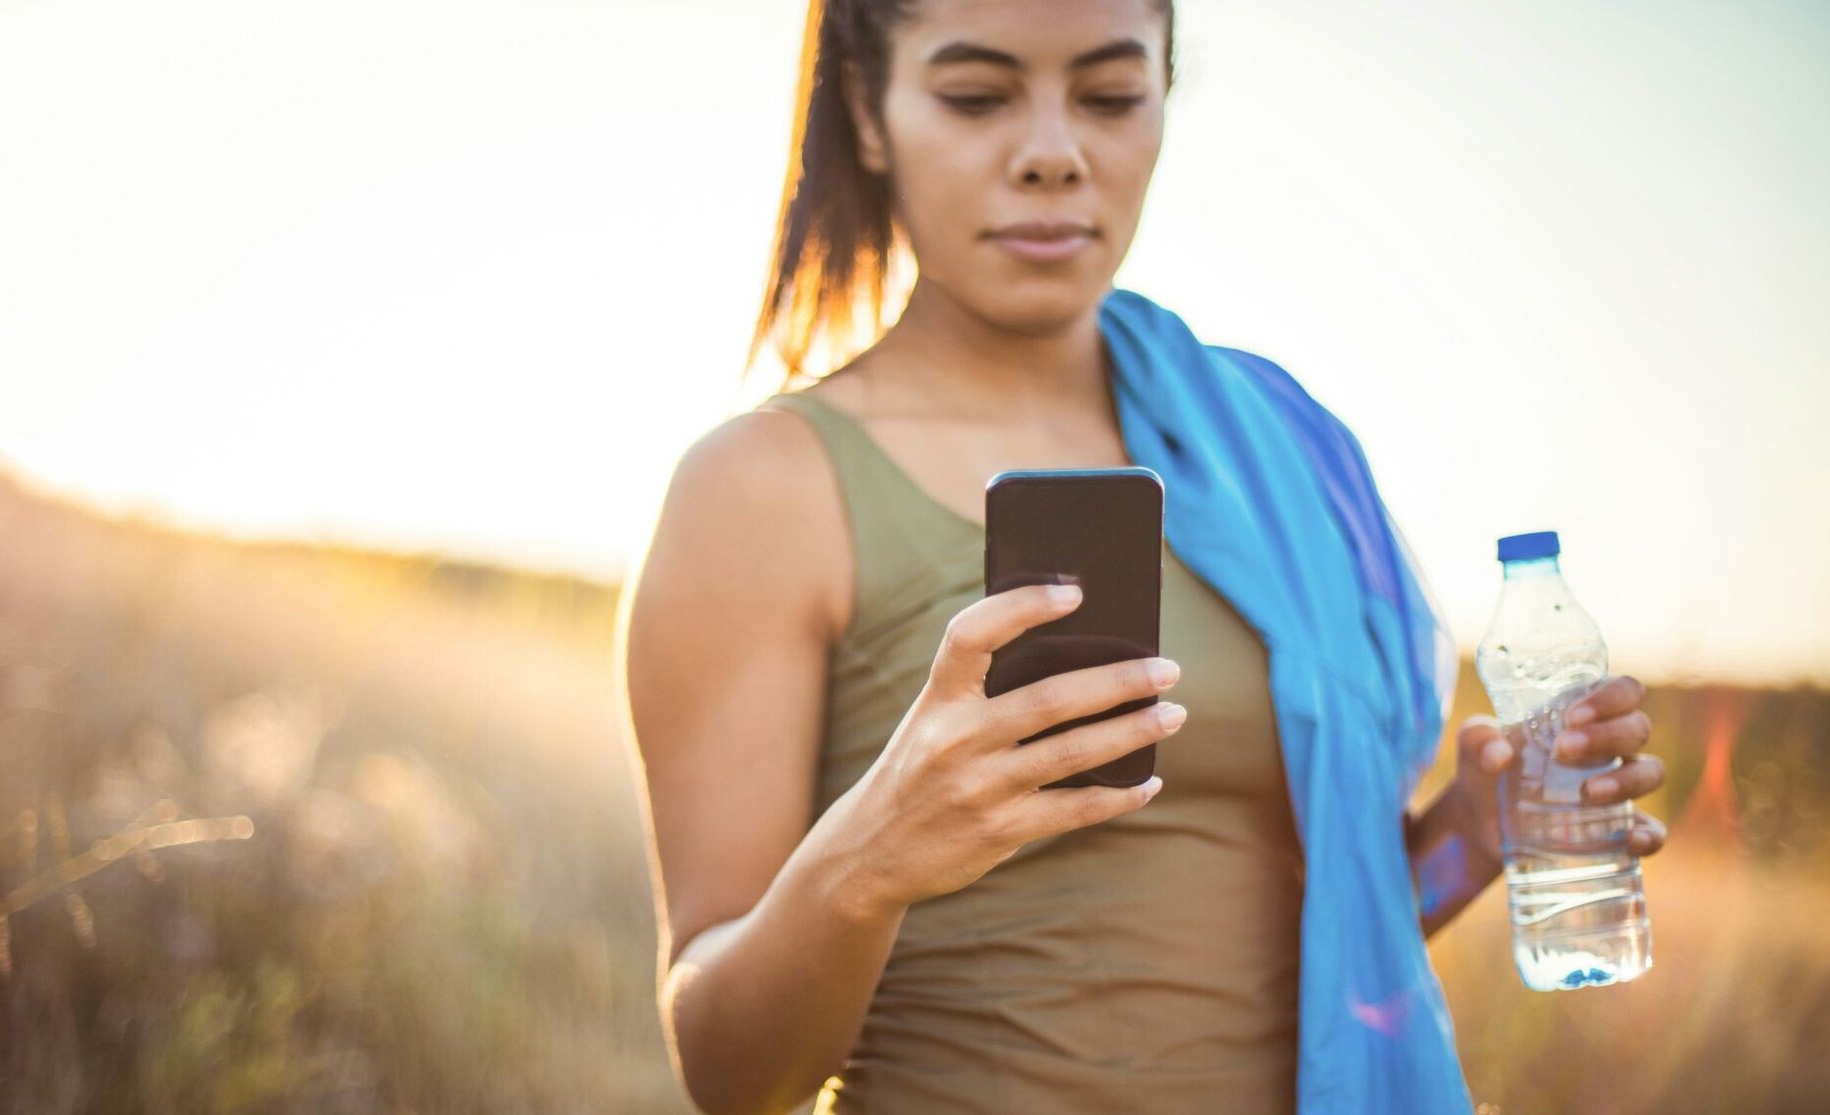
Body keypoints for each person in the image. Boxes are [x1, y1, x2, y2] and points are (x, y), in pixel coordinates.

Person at [614, 2, 1670, 1112]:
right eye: (975, 96)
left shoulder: (1265, 454)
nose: (1052, 154)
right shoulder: (758, 487)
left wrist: (1465, 834)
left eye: (1110, 96)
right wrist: (870, 857)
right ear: (867, 116)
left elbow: (1317, 966)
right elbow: (729, 1070)